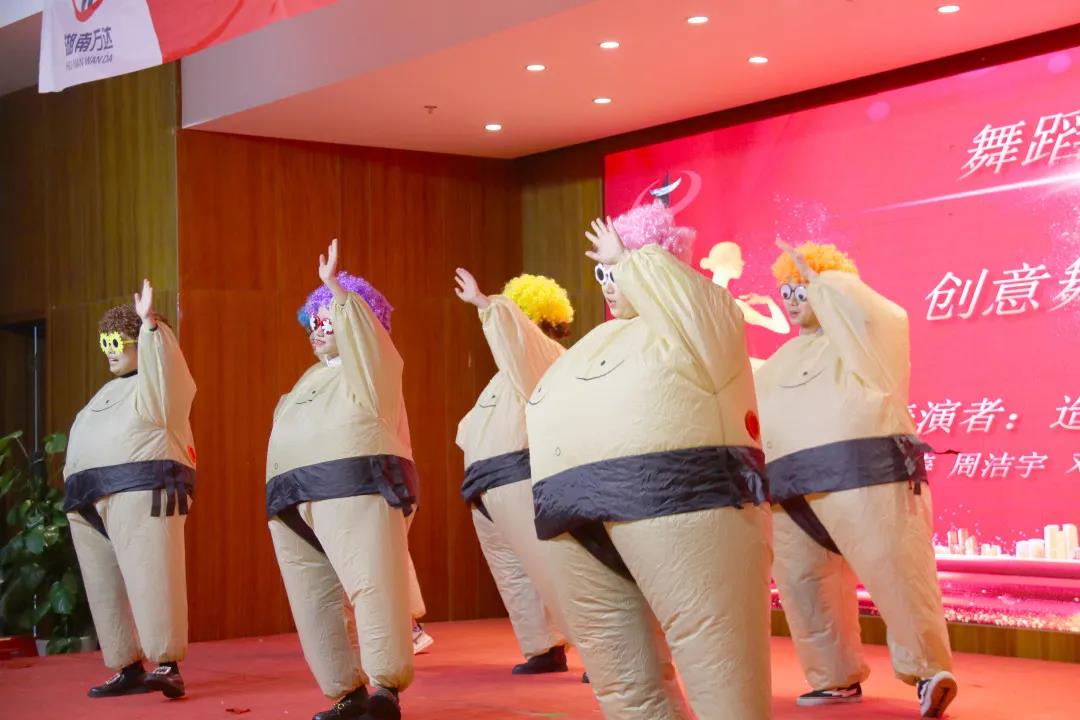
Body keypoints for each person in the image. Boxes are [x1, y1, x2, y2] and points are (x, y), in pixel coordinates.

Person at [527, 202, 773, 719]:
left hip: (680, 494)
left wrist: (633, 260)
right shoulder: (595, 342)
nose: (609, 283)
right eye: (602, 272)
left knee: (717, 658)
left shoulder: (702, 318)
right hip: (573, 510)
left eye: (618, 267)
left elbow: (693, 304)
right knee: (622, 677)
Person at [756, 240, 956, 718]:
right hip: (790, 492)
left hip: (865, 477)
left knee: (898, 575)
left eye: (802, 289)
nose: (792, 300)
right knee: (805, 586)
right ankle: (833, 676)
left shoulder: (866, 341)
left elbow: (881, 314)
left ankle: (928, 671)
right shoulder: (779, 360)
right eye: (787, 290)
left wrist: (827, 283)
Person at [266, 239, 415, 720]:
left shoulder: (372, 366)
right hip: (292, 497)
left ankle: (385, 687)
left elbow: (368, 339)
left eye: (327, 319)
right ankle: (345, 691)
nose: (316, 329)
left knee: (372, 584)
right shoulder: (307, 381)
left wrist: (337, 291)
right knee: (313, 599)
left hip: (355, 485)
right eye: (313, 320)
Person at [63, 279, 195, 699]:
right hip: (89, 498)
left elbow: (169, 369)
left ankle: (168, 664)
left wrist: (152, 326)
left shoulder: (160, 388)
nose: (109, 349)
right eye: (104, 341)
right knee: (104, 586)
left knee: (153, 573)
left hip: (143, 487)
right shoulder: (104, 393)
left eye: (118, 341)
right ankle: (127, 665)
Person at [454, 267, 574, 674]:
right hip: (484, 485)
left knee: (549, 566)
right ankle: (543, 646)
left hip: (519, 476)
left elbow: (519, 342)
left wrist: (486, 305)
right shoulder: (502, 377)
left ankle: (601, 648)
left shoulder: (546, 359)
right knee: (514, 572)